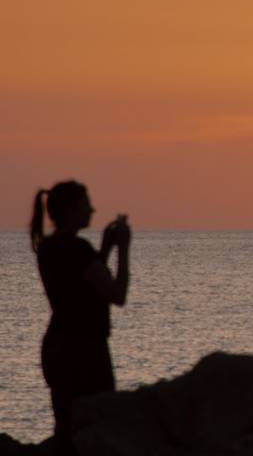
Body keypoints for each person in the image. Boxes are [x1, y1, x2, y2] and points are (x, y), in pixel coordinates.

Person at [30, 181, 131, 455]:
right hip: (84, 352)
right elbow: (116, 294)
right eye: (86, 203)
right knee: (98, 427)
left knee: (67, 429)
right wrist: (123, 248)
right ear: (71, 209)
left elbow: (81, 285)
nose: (92, 209)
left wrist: (104, 250)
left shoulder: (49, 248)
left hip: (58, 347)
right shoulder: (77, 250)